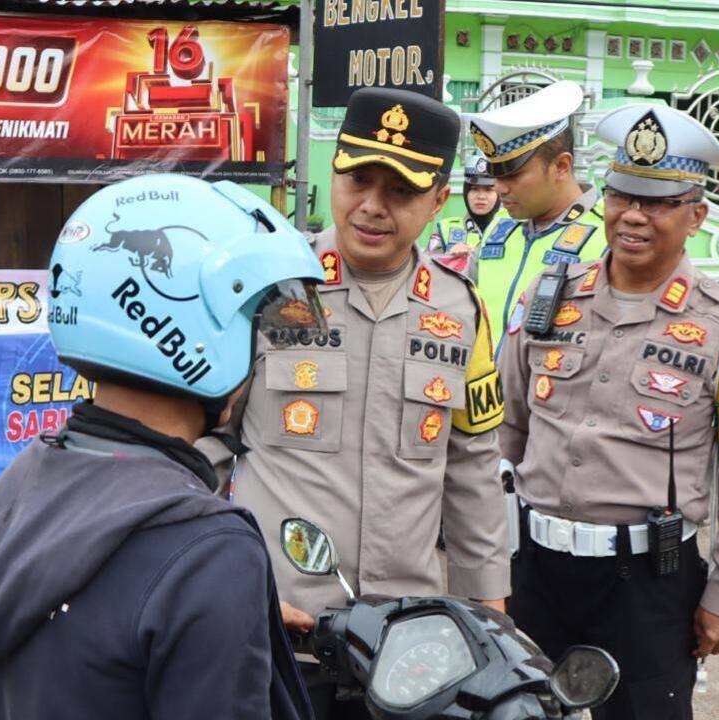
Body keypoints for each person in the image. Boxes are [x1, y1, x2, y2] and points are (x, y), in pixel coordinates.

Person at [0, 174, 323, 720]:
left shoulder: (29, 480)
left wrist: (223, 613)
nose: (259, 346)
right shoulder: (208, 551)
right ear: (199, 330)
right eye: (252, 324)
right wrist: (214, 595)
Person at [206, 87, 511, 720]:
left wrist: (487, 607)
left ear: (437, 200)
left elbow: (473, 467)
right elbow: (207, 445)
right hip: (280, 619)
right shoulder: (268, 290)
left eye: (399, 191)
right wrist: (211, 582)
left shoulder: (462, 309)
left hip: (411, 637)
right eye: (357, 181)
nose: (372, 207)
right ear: (334, 175)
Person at [498, 104, 719, 719]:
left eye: (657, 202)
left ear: (697, 214)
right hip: (534, 567)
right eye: (621, 195)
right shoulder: (549, 298)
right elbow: (507, 431)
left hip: (646, 585)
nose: (633, 215)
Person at [464, 80, 608, 348]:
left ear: (562, 166)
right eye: (495, 174)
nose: (498, 188)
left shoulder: (606, 236)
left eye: (513, 175)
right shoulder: (501, 226)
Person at [425, 156, 514, 273]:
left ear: (498, 193)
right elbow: (425, 270)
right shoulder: (445, 229)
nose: (481, 196)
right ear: (466, 192)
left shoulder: (515, 227)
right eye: (474, 189)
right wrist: (448, 257)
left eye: (488, 190)